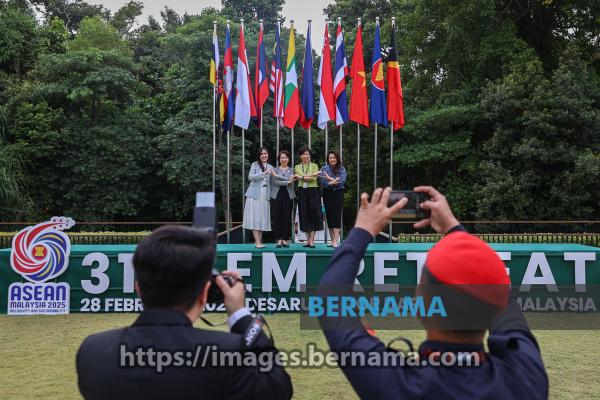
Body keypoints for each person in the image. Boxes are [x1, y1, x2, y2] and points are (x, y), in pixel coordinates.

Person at [319, 186, 548, 400]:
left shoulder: (397, 385)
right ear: (495, 307)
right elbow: (495, 286)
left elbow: (330, 298)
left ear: (423, 303)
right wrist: (455, 229)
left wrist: (362, 230)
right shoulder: (527, 379)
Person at [77, 225, 293, 400]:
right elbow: (277, 389)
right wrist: (241, 316)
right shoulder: (230, 354)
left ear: (138, 289)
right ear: (204, 294)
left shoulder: (93, 350)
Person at [243, 147, 274, 248]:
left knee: (261, 217)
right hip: (254, 194)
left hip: (265, 194)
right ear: (259, 156)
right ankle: (257, 241)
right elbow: (250, 177)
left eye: (265, 153)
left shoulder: (271, 167)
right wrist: (264, 173)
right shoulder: (255, 165)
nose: (264, 155)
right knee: (255, 217)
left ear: (268, 155)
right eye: (262, 154)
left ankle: (259, 241)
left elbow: (273, 182)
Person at [294, 147, 323, 248]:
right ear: (300, 156)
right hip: (302, 191)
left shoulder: (314, 165)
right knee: (304, 214)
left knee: (314, 214)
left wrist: (302, 176)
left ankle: (312, 240)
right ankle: (307, 240)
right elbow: (307, 177)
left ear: (310, 155)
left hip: (313, 191)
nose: (305, 156)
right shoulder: (297, 166)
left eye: (307, 154)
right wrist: (309, 175)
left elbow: (312, 179)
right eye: (303, 154)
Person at [319, 150, 347, 248]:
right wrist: (334, 181)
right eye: (330, 158)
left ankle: (335, 241)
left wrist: (330, 180)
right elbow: (323, 182)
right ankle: (332, 241)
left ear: (337, 158)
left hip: (338, 194)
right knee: (329, 217)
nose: (332, 159)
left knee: (337, 216)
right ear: (328, 159)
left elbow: (342, 181)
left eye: (334, 158)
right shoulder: (324, 168)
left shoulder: (342, 168)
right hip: (327, 193)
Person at [270, 150, 297, 247]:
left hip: (288, 195)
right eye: (282, 158)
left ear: (288, 159)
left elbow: (291, 180)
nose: (284, 159)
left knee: (287, 217)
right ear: (279, 159)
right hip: (276, 194)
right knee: (277, 217)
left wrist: (281, 178)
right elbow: (276, 182)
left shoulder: (292, 170)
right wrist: (288, 182)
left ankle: (285, 239)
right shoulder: (275, 169)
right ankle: (278, 239)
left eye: (285, 157)